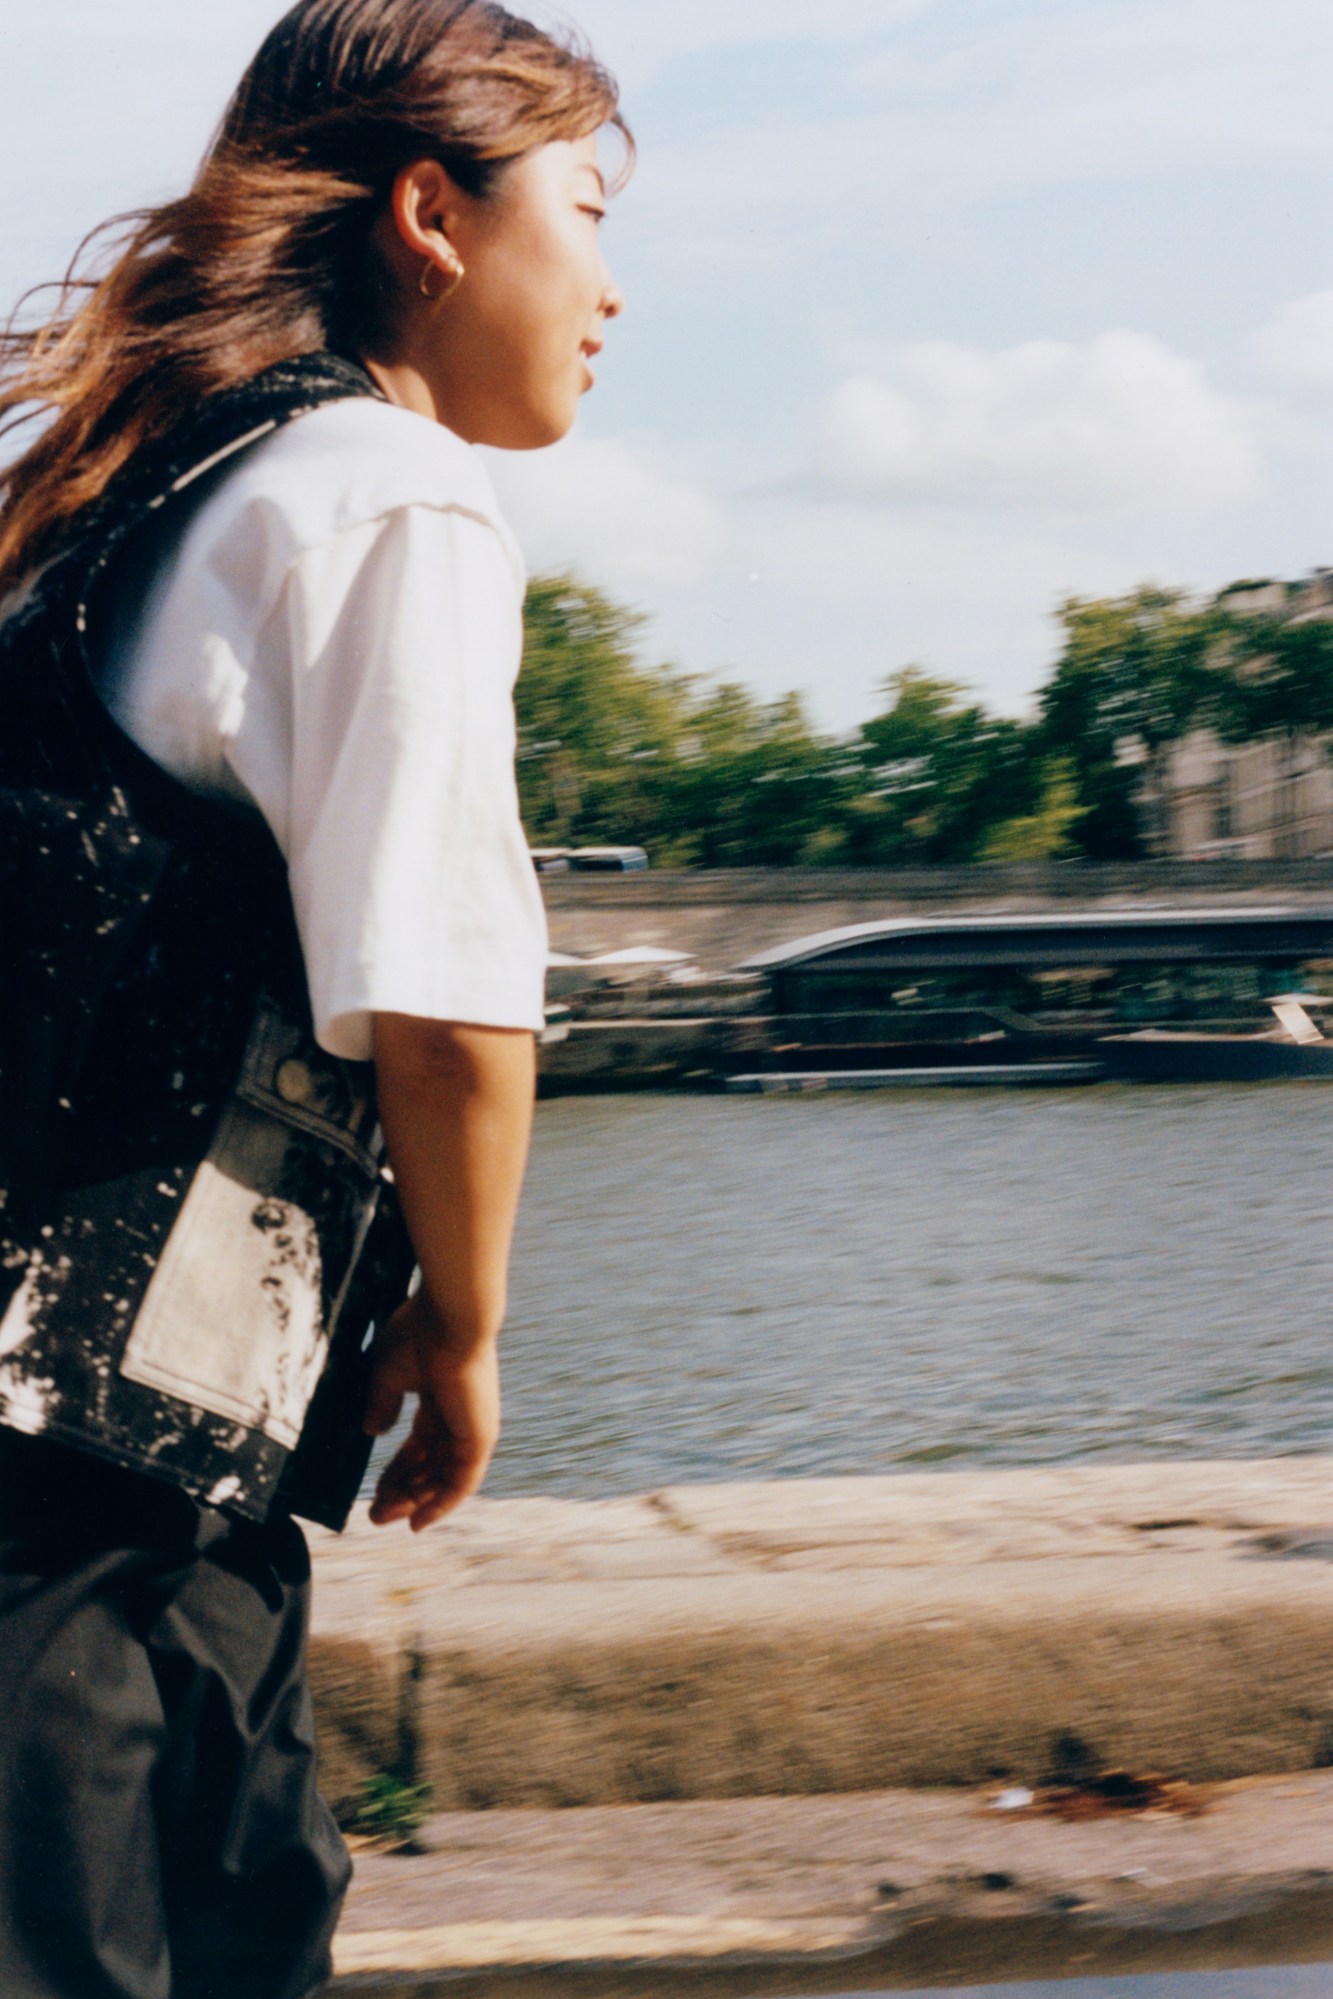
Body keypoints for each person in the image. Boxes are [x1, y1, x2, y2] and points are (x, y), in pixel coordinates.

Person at [0, 3, 627, 1994]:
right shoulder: (388, 495)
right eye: (589, 217)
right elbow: (445, 1014)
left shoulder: (146, 489)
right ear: (435, 218)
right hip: (100, 1497)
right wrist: (464, 1327)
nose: (612, 293)